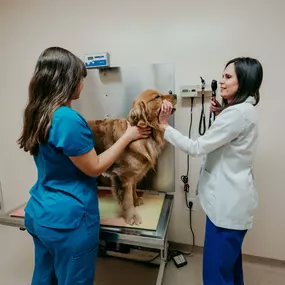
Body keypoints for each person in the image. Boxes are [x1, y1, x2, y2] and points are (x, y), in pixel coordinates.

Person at [17, 46, 151, 285]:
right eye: (80, 77)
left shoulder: (37, 112)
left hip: (39, 212)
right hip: (69, 221)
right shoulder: (68, 119)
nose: (82, 83)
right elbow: (96, 167)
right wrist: (128, 136)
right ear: (66, 80)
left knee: (44, 277)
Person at [159, 57, 263, 285]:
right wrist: (221, 113)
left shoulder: (236, 114)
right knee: (231, 269)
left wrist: (165, 127)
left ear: (243, 81)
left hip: (227, 209)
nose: (221, 81)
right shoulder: (241, 110)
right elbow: (231, 140)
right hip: (232, 204)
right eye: (222, 75)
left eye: (228, 77)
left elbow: (197, 148)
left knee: (216, 276)